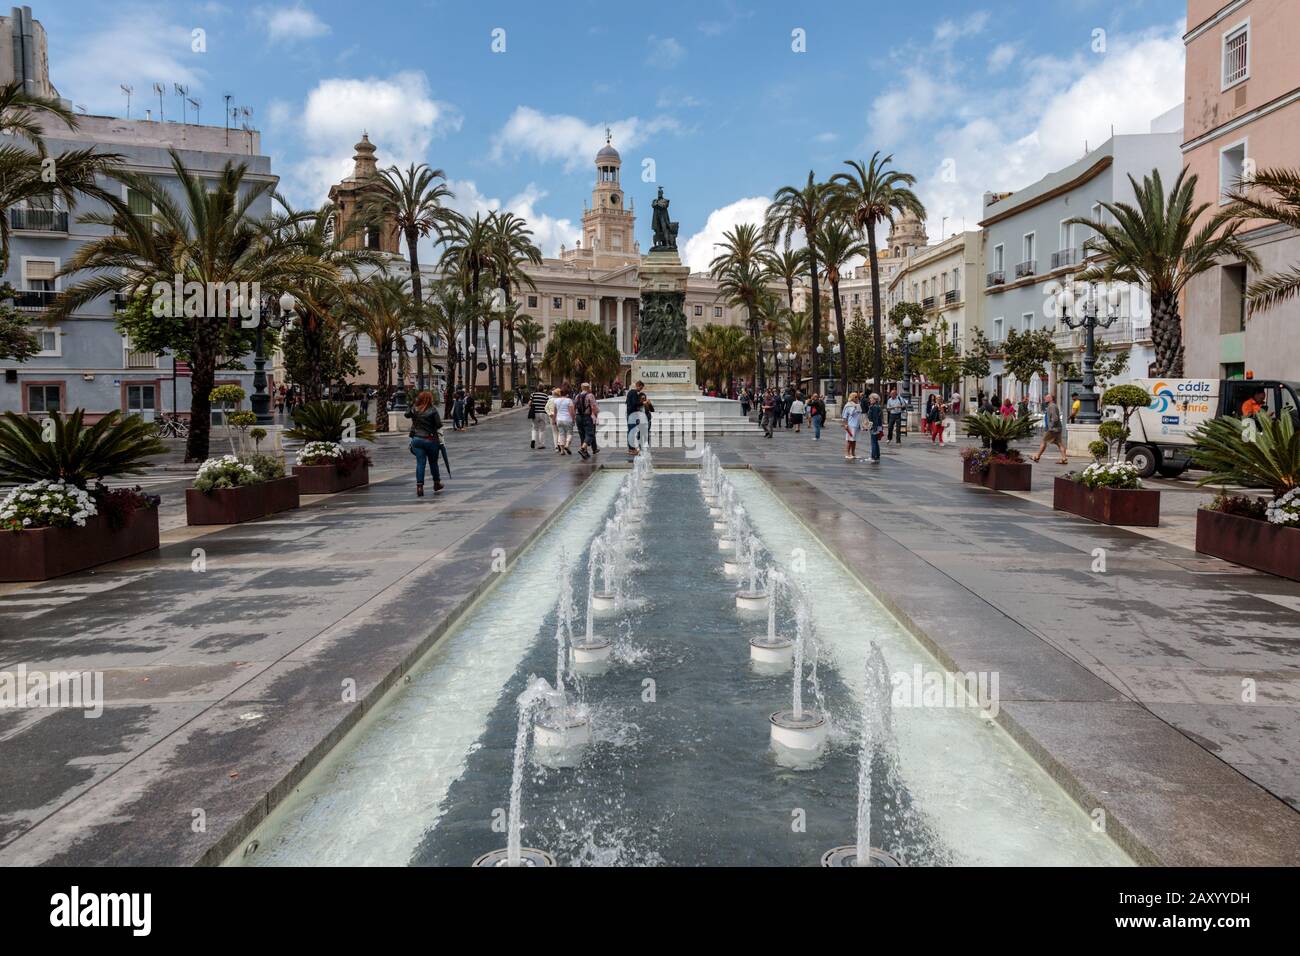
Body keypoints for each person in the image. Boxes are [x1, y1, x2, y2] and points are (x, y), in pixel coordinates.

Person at [404, 390, 444, 497]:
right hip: (430, 440)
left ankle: (420, 487)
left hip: (417, 439)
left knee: (420, 463)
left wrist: (412, 405)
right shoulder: (433, 410)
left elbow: (406, 414)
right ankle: (436, 483)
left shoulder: (414, 410)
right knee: (433, 463)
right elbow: (439, 425)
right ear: (430, 399)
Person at [1030, 394, 1068, 464]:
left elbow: (1055, 418)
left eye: (1047, 397)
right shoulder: (1052, 406)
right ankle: (1064, 458)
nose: (1045, 398)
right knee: (1059, 443)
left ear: (1051, 399)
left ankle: (1037, 456)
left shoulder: (1052, 406)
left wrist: (1051, 426)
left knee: (1043, 441)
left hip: (1052, 429)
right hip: (1057, 428)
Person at [575, 381, 600, 459]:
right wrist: (596, 416)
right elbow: (594, 407)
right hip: (587, 416)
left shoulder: (577, 396)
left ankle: (585, 452)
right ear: (588, 388)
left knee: (582, 434)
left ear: (582, 388)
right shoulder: (590, 396)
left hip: (578, 417)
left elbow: (574, 407)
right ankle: (583, 449)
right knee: (590, 434)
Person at [552, 385, 576, 455]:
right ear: (567, 394)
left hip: (559, 420)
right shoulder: (569, 400)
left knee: (561, 434)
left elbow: (555, 411)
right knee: (569, 433)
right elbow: (572, 412)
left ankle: (562, 450)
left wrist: (554, 420)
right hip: (567, 419)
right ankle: (567, 445)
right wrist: (573, 419)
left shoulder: (556, 401)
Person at [528, 385, 550, 449]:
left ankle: (533, 440)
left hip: (535, 413)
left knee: (534, 428)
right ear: (543, 389)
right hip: (543, 413)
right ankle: (541, 444)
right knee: (542, 429)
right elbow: (547, 404)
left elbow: (529, 403)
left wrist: (532, 405)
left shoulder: (533, 394)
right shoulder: (545, 396)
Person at [626, 380, 644, 455]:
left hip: (630, 414)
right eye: (641, 388)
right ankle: (631, 449)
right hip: (632, 415)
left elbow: (628, 402)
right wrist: (642, 402)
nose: (641, 390)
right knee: (631, 432)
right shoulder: (634, 393)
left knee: (631, 431)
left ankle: (631, 448)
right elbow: (634, 404)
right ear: (638, 386)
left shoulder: (630, 392)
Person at [843, 392, 861, 460]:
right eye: (855, 397)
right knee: (849, 440)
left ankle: (853, 453)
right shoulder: (848, 405)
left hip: (857, 424)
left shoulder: (858, 405)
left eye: (857, 397)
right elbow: (845, 416)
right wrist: (845, 424)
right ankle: (847, 453)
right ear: (852, 397)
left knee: (854, 440)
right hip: (851, 425)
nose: (857, 398)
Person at [866, 393, 884, 462]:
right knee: (875, 441)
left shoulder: (874, 407)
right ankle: (877, 455)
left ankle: (873, 456)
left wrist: (874, 427)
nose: (870, 400)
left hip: (874, 426)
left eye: (871, 398)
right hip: (877, 425)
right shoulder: (877, 406)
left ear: (875, 399)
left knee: (873, 441)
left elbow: (875, 418)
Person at [546, 387, 561, 452]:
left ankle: (556, 447)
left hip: (552, 417)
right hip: (559, 417)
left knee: (554, 432)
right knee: (560, 431)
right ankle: (559, 443)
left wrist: (549, 414)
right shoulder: (560, 400)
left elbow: (546, 408)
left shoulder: (550, 400)